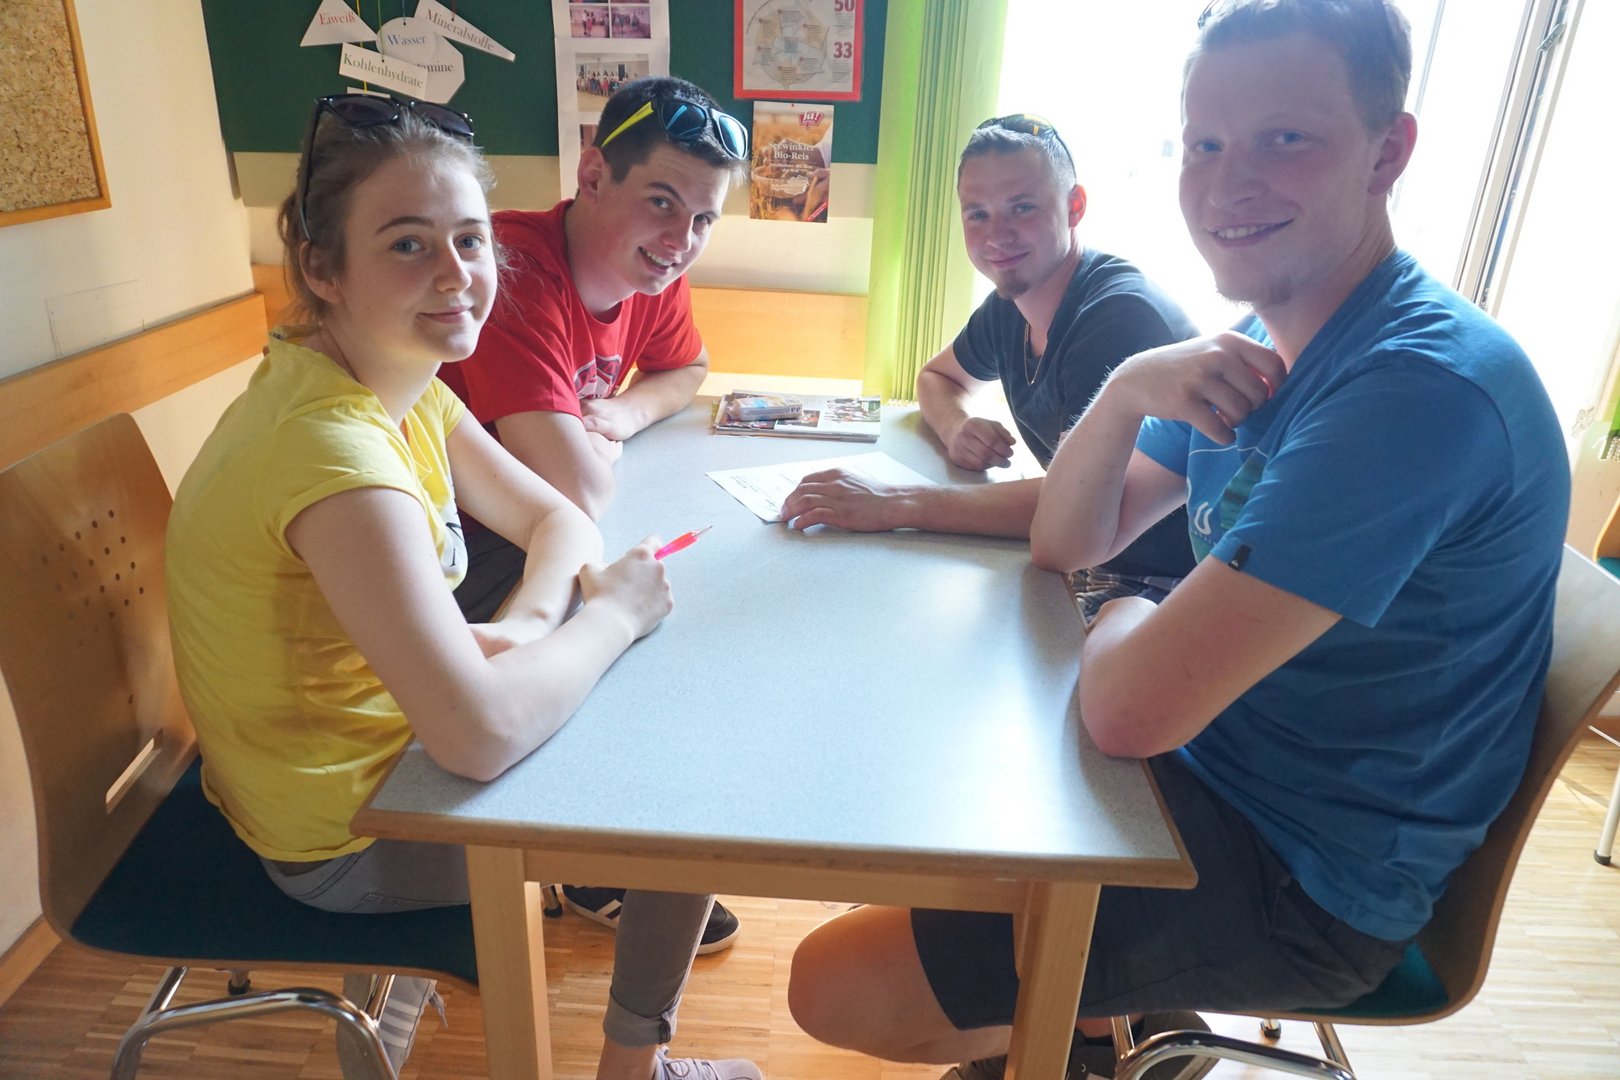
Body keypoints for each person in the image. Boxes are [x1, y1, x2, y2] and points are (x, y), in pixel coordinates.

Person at [785, 3, 1570, 1080]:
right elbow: (1069, 540)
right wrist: (1122, 394)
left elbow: (1127, 706)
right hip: (1207, 770)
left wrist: (1125, 607)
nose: (1227, 183)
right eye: (1205, 144)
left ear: (1387, 152)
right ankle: (1088, 1027)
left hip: (1302, 874)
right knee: (922, 810)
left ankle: (1084, 1037)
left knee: (830, 983)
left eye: (1285, 138)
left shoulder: (1413, 392)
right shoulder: (1261, 341)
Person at [165, 93, 760, 1080]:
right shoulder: (332, 454)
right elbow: (475, 735)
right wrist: (612, 615)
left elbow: (560, 520)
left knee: (643, 723)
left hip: (372, 758)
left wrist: (527, 624)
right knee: (694, 802)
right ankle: (632, 1071)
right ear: (322, 267)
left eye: (471, 240)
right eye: (408, 244)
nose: (457, 276)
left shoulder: (395, 381)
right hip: (344, 837)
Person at [437, 75, 749, 952]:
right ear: (593, 173)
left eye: (703, 218)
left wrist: (618, 416)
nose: (680, 241)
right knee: (652, 634)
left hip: (529, 532)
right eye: (662, 202)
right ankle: (590, 851)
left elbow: (687, 371)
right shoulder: (511, 269)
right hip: (455, 562)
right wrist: (588, 454)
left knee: (677, 604)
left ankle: (625, 845)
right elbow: (578, 489)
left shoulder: (652, 271)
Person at [780, 115, 1199, 623]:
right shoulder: (1013, 300)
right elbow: (937, 378)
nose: (997, 235)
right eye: (977, 214)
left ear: (1074, 207)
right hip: (1083, 557)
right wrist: (956, 426)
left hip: (1164, 579)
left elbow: (1073, 503)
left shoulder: (1118, 318)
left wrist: (894, 504)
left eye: (1022, 207)